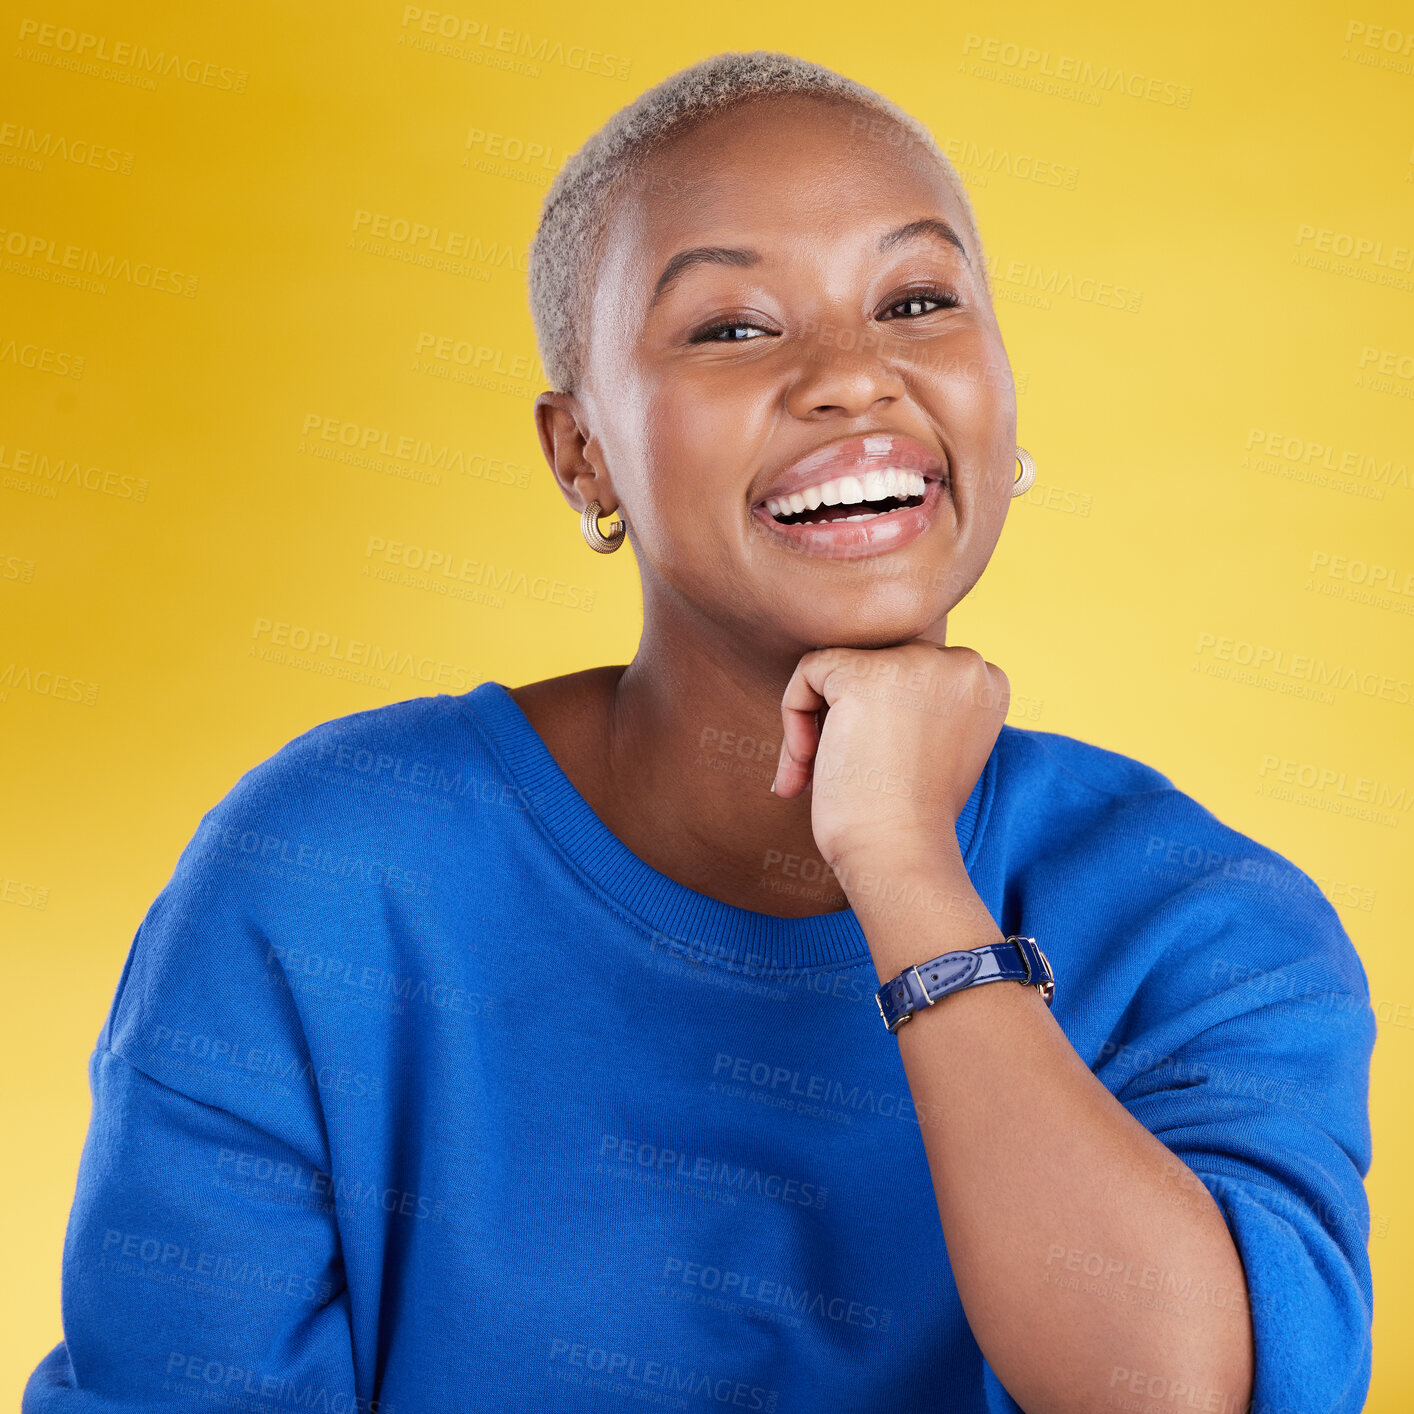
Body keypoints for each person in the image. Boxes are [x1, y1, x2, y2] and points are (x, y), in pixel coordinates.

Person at [25, 51, 1374, 1414]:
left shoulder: (1204, 922)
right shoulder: (325, 875)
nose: (854, 378)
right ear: (581, 456)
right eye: (732, 328)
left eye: (915, 301)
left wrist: (903, 865)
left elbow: (1177, 1394)